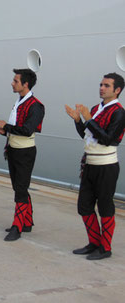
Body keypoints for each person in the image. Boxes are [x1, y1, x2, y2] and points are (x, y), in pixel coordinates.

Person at [65, 73, 125, 260]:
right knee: (84, 206)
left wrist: (89, 119)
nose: (101, 88)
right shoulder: (95, 108)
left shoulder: (119, 112)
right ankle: (94, 242)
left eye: (106, 85)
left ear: (117, 90)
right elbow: (86, 134)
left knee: (105, 206)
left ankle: (105, 248)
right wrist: (78, 121)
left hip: (106, 165)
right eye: (101, 84)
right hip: (90, 163)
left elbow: (108, 139)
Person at [0, 68, 44, 241]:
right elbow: (18, 128)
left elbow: (28, 130)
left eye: (15, 81)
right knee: (18, 186)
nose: (12, 83)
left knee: (20, 189)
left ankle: (17, 226)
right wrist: (5, 132)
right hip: (14, 148)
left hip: (25, 152)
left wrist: (7, 127)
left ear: (25, 84)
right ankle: (27, 221)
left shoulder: (36, 106)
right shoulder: (20, 101)